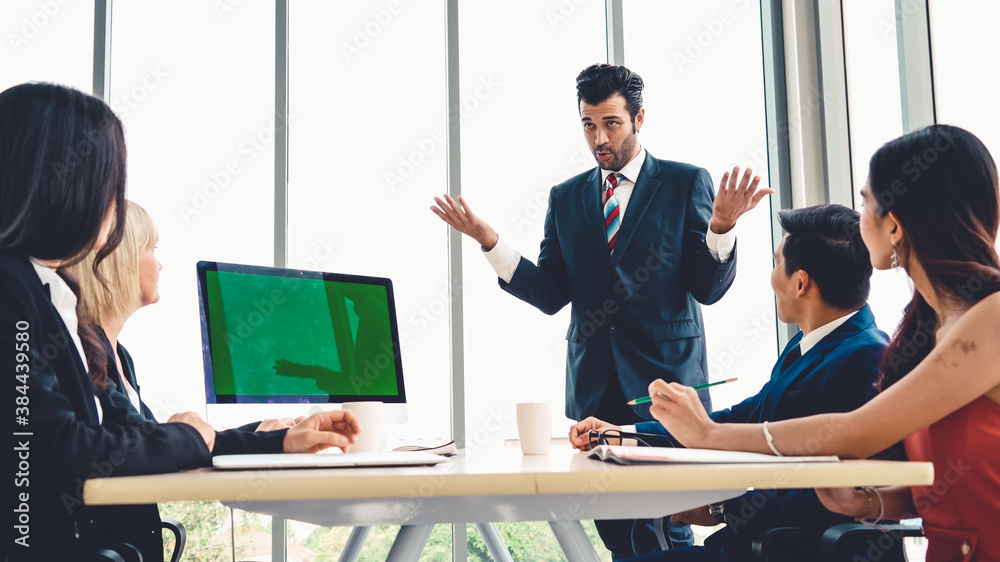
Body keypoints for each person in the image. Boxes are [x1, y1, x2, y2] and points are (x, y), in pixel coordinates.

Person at [0, 83, 360, 561]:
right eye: (107, 183)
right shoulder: (11, 288)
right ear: (59, 182)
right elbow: (54, 449)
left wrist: (279, 440)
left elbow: (134, 442)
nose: (112, 203)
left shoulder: (54, 301)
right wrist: (190, 435)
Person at [432, 62, 771, 559]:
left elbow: (708, 288)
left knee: (665, 526)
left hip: (665, 391)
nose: (599, 137)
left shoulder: (684, 183)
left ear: (638, 119)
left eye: (611, 123)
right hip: (596, 393)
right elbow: (550, 293)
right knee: (618, 533)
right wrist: (490, 242)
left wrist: (720, 228)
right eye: (589, 125)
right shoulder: (566, 197)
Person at [644, 125, 1000, 561]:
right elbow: (945, 484)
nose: (859, 213)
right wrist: (870, 502)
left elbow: (855, 431)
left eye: (866, 201)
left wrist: (708, 434)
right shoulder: (931, 331)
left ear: (896, 226)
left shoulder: (992, 319)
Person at [570, 204, 889, 561]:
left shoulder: (866, 358)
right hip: (749, 544)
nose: (772, 277)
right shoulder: (808, 346)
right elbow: (741, 419)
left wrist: (722, 508)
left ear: (800, 283)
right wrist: (624, 433)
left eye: (776, 264)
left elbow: (833, 494)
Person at [67, 201, 295, 431]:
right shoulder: (86, 350)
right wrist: (258, 438)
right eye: (152, 250)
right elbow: (152, 443)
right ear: (121, 260)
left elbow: (153, 440)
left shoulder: (121, 355)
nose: (160, 264)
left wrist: (260, 432)